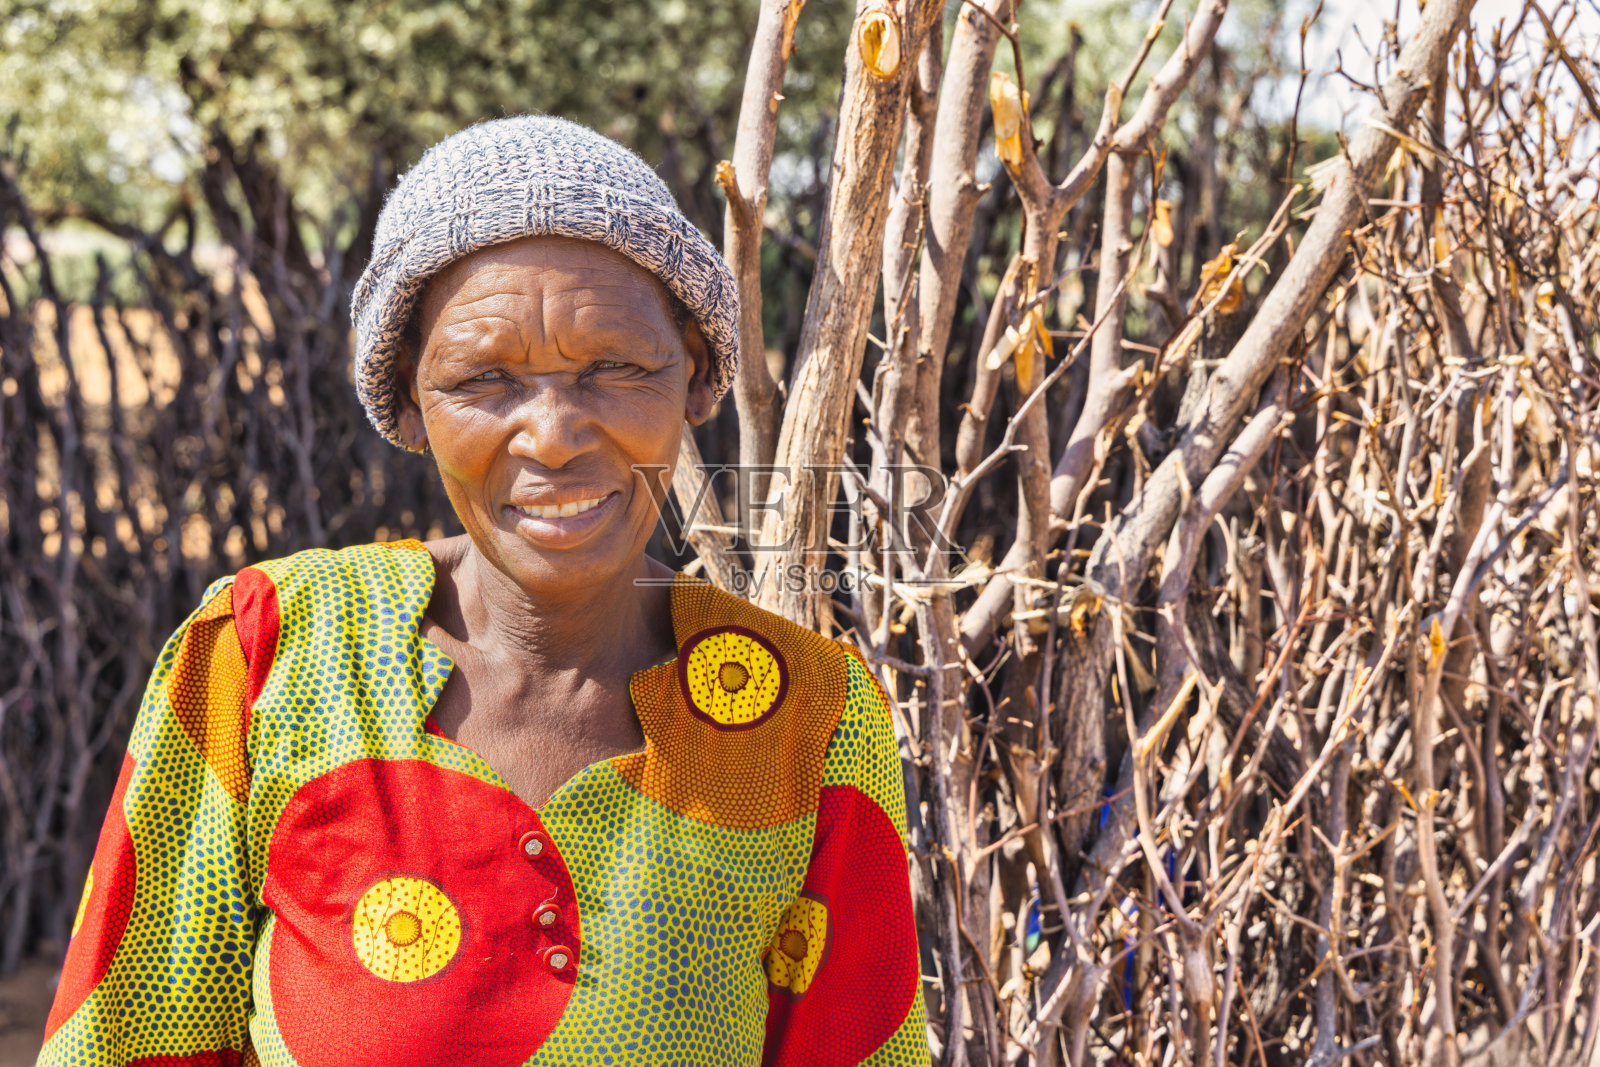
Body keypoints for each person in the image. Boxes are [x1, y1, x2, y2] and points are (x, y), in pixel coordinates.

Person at [39, 116, 928, 1067]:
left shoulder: (808, 718)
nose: (552, 435)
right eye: (483, 379)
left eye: (616, 367)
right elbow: (126, 1040)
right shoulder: (270, 657)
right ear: (411, 403)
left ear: (698, 376)